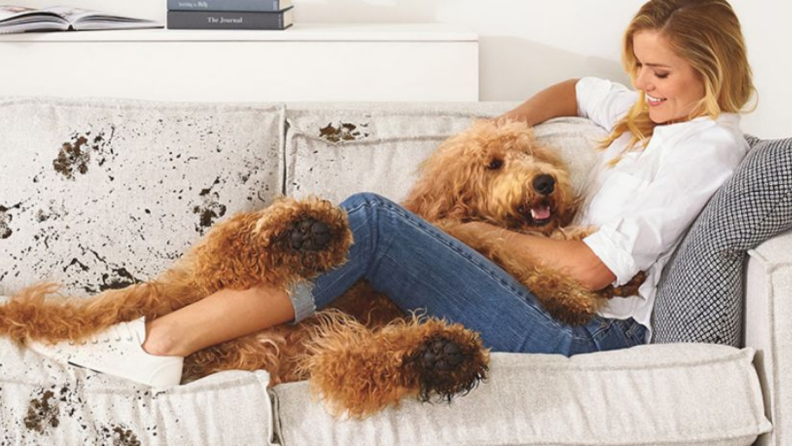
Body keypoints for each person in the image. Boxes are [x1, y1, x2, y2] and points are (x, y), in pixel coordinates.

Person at [29, 0, 755, 388]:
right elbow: (574, 89)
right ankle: (157, 327)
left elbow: (593, 270)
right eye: (639, 68)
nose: (643, 86)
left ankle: (158, 341)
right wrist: (507, 127)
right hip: (537, 301)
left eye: (660, 72)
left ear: (709, 67)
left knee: (369, 221)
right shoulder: (646, 120)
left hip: (582, 337)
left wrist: (472, 238)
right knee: (357, 238)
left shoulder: (708, 147)